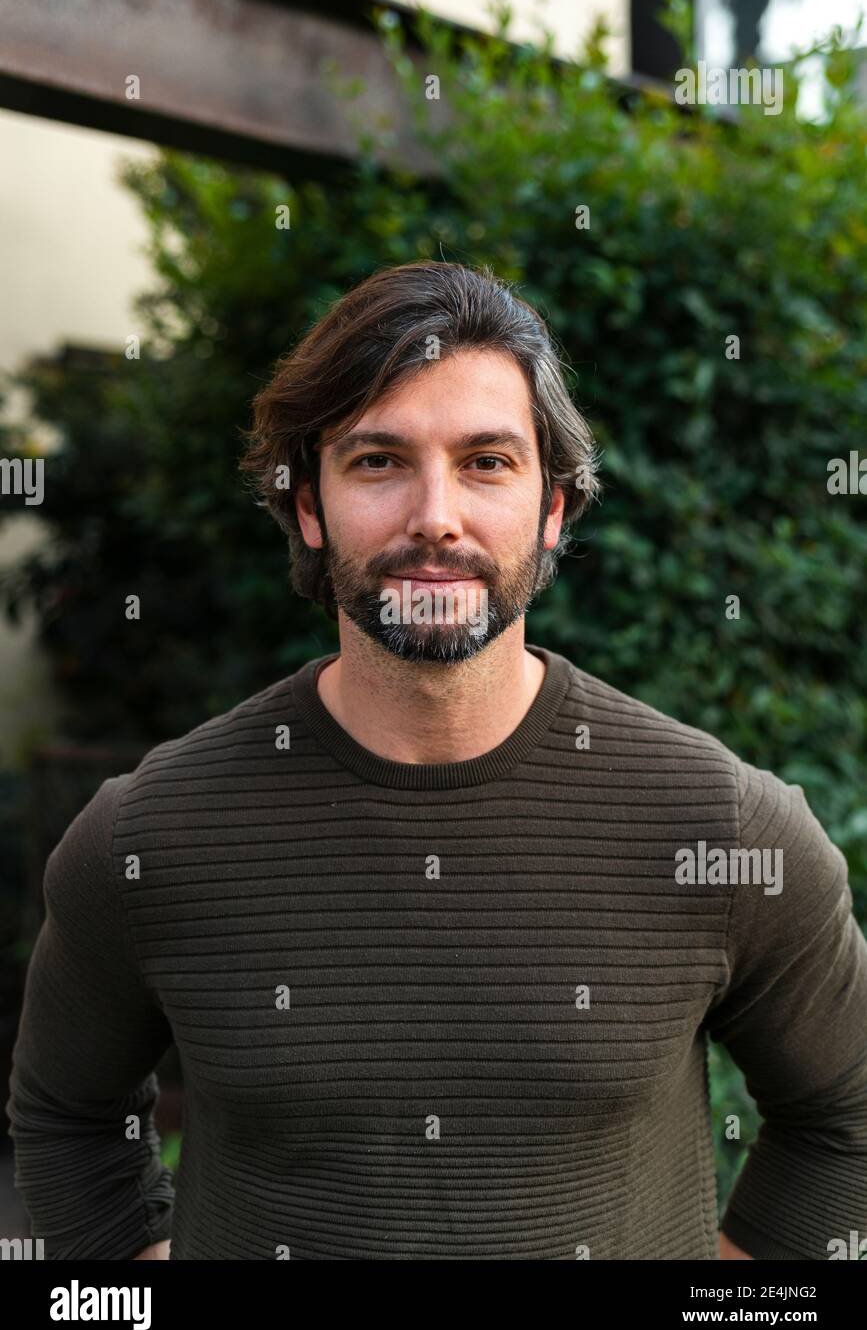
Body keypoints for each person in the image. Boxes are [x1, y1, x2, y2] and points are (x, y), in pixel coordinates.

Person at [7, 261, 867, 1260]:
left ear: (552, 508)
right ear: (310, 506)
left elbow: (846, 1118)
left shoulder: (722, 829)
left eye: (486, 462)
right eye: (378, 461)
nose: (436, 517)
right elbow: (67, 1117)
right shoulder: (148, 834)